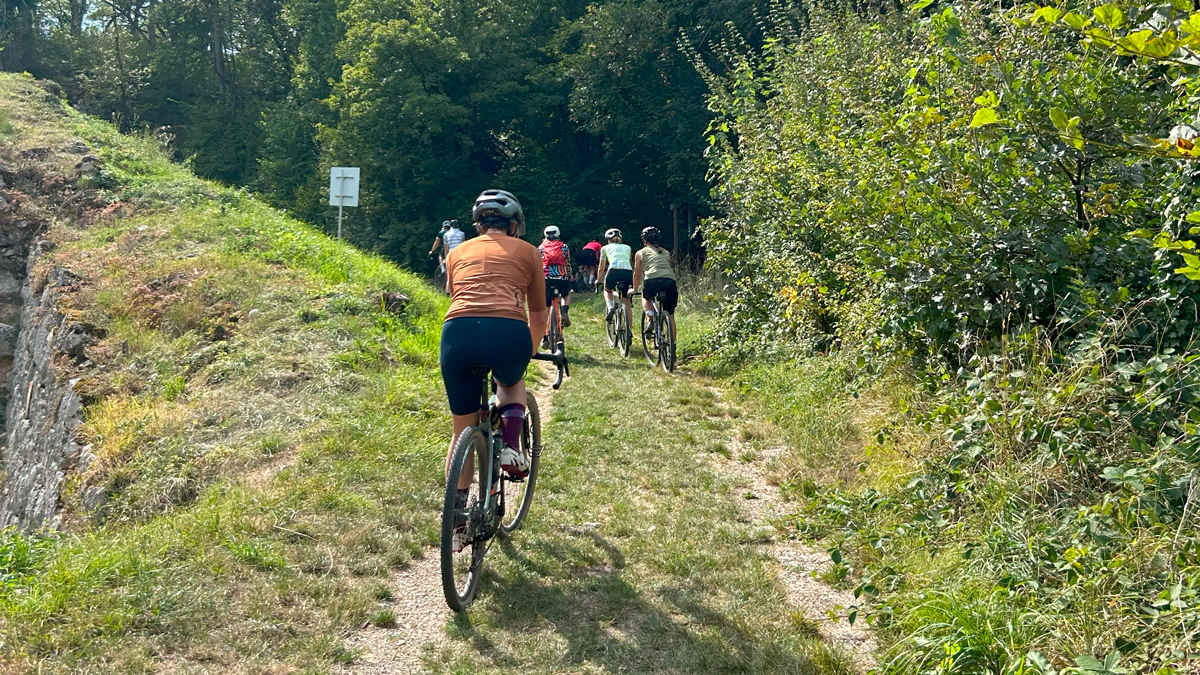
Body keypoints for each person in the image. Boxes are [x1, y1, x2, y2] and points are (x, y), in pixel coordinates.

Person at [441, 190, 546, 551]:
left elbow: (455, 296)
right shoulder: (530, 251)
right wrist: (526, 354)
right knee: (511, 382)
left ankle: (454, 524)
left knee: (461, 432)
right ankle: (512, 446)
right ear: (514, 225)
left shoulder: (456, 252)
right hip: (507, 331)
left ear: (477, 225)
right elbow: (538, 314)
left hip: (457, 333)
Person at [631, 226, 678, 343]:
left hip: (651, 280)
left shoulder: (640, 253)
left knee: (646, 297)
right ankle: (672, 345)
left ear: (644, 240)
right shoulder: (666, 252)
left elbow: (636, 275)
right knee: (670, 316)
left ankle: (650, 318)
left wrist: (634, 289)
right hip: (669, 281)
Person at [597, 228, 633, 330]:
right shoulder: (628, 247)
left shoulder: (605, 248)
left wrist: (598, 279)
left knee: (607, 290)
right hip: (627, 272)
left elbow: (601, 266)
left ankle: (610, 307)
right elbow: (628, 261)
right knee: (626, 302)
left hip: (613, 271)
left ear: (608, 239)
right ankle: (629, 331)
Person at [539, 225, 572, 329]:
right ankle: (565, 312)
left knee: (546, 304)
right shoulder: (564, 247)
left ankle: (545, 332)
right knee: (566, 294)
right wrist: (569, 276)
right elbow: (567, 263)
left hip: (546, 278)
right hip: (562, 277)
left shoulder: (541, 247)